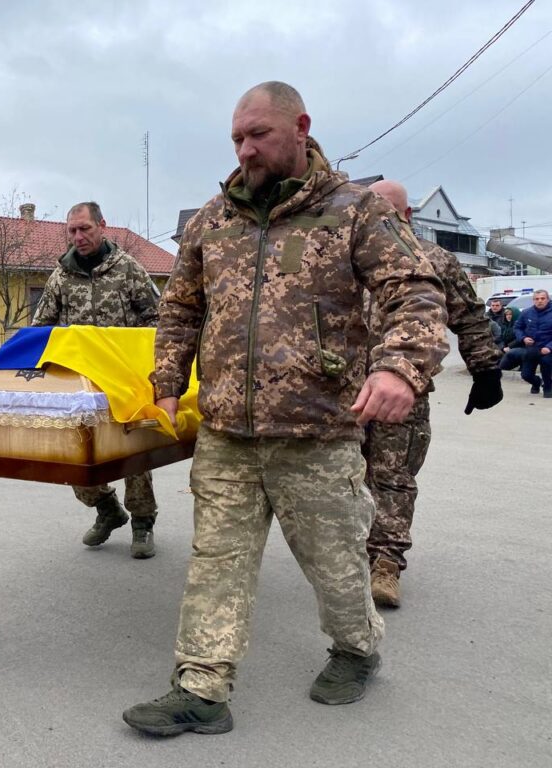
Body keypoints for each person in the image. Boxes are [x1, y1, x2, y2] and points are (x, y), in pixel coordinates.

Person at [122, 82, 448, 736]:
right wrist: (165, 378)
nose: (245, 149)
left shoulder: (354, 212)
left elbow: (415, 290)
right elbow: (181, 308)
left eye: (258, 135)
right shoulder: (212, 221)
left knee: (334, 566)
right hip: (226, 436)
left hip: (317, 433)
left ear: (300, 127)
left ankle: (356, 648)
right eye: (237, 138)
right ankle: (202, 687)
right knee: (216, 560)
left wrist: (399, 368)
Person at [363, 180, 503, 608]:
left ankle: (385, 563)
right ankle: (345, 556)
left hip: (403, 388)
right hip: (340, 391)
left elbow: (469, 315)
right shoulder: (346, 256)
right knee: (337, 478)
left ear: (406, 215)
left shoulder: (435, 258)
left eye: (385, 211)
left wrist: (485, 370)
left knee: (392, 476)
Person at [31, 201, 161, 558]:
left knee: (133, 454)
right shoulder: (60, 276)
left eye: (85, 228)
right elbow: (41, 328)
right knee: (76, 454)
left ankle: (142, 522)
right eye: (72, 230)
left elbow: (158, 318)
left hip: (124, 379)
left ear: (102, 225)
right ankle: (107, 508)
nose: (78, 237)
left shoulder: (128, 270)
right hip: (80, 384)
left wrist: (137, 357)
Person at [510, 289, 552, 397]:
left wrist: (549, 347)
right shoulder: (526, 313)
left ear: (548, 299)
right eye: (537, 299)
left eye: (543, 298)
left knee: (546, 365)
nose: (540, 301)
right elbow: (517, 328)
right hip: (532, 348)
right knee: (526, 375)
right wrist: (523, 338)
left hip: (548, 349)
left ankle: (548, 388)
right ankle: (537, 382)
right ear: (533, 300)